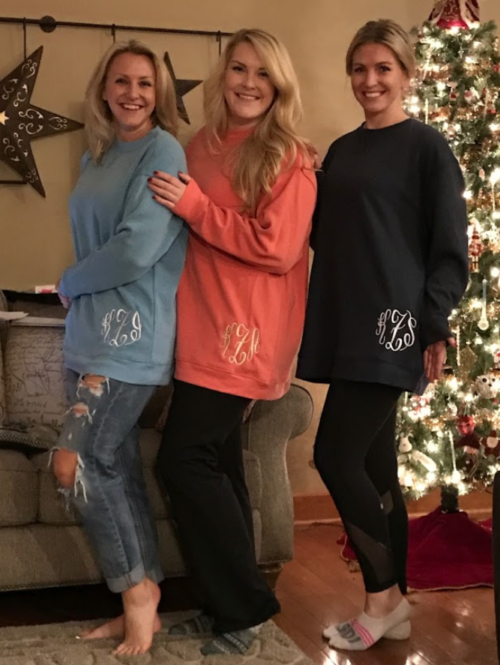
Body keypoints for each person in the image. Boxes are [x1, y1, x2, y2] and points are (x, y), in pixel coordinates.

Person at [297, 19, 469, 651]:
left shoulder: (427, 148)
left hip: (394, 325)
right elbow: (327, 234)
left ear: (405, 73)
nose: (370, 81)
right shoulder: (342, 150)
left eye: (383, 69)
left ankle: (381, 597)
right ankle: (393, 601)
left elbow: (450, 250)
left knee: (334, 457)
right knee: (374, 466)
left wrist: (434, 322)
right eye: (360, 69)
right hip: (346, 318)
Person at [147, 28, 317, 656]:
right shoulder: (203, 143)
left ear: (278, 86)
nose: (248, 83)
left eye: (262, 74)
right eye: (239, 69)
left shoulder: (289, 157)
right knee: (216, 463)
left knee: (181, 461)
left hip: (245, 335)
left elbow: (277, 249)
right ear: (225, 76)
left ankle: (243, 603)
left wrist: (195, 208)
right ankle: (228, 610)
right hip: (199, 325)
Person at [53, 40, 188, 656]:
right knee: (115, 467)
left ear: (159, 92)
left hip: (128, 339)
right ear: (104, 90)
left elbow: (137, 249)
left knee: (76, 463)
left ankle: (137, 596)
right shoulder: (98, 153)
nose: (133, 93)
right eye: (121, 82)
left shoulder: (163, 150)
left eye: (145, 82)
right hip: (88, 337)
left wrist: (69, 282)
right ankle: (144, 597)